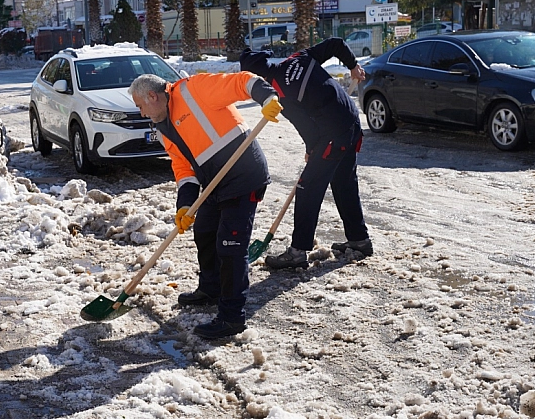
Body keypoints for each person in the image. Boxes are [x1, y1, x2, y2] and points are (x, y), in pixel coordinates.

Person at [128, 72, 281, 339]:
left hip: (243, 176)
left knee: (230, 247)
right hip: (214, 183)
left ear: (152, 96)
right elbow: (183, 167)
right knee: (205, 232)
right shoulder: (163, 127)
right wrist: (185, 205)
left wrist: (267, 97)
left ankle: (232, 317)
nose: (141, 113)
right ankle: (212, 288)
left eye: (140, 106)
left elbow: (242, 82)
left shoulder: (194, 90)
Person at [240, 37, 372, 270]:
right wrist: (353, 66)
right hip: (350, 121)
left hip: (334, 133)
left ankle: (297, 252)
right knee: (344, 183)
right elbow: (335, 44)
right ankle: (359, 240)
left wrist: (312, 150)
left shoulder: (280, 92)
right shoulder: (297, 58)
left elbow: (307, 127)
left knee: (307, 187)